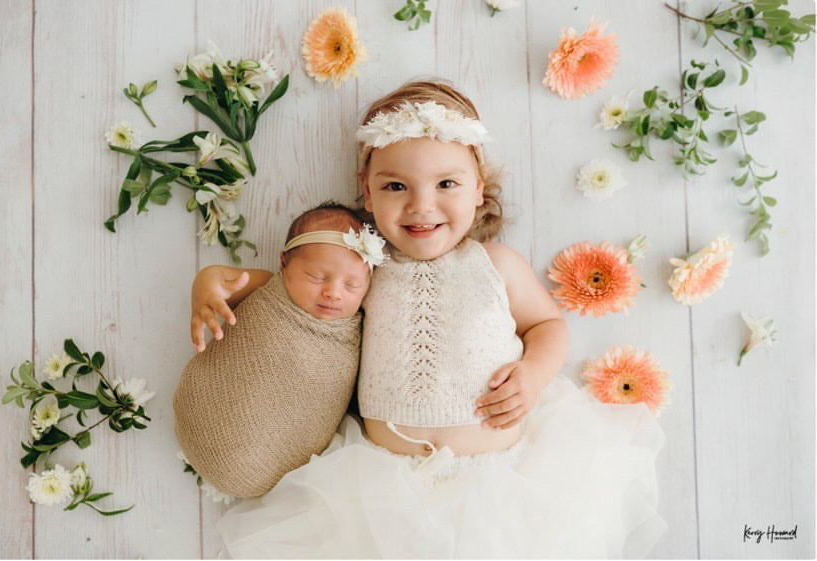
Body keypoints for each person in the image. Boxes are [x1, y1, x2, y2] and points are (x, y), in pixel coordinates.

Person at [199, 80, 667, 558]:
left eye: (446, 184)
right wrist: (216, 279)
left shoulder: (496, 264)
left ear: (477, 188)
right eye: (396, 186)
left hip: (499, 478)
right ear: (367, 190)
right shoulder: (365, 269)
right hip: (385, 486)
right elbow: (297, 282)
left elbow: (548, 326)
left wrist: (533, 374)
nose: (421, 205)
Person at [175, 201, 385, 498]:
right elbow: (218, 278)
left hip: (279, 465)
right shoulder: (268, 285)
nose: (333, 293)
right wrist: (205, 290)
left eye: (352, 285)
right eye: (317, 277)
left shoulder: (361, 328)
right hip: (212, 413)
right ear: (284, 263)